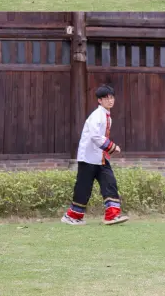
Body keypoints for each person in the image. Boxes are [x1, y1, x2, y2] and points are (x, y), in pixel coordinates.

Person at [61, 84, 129, 226]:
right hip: (88, 157)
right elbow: (95, 136)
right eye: (106, 98)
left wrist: (107, 149)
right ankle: (71, 216)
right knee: (84, 187)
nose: (110, 100)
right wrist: (112, 146)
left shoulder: (107, 116)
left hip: (101, 157)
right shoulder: (97, 116)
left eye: (112, 97)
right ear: (99, 100)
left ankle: (112, 216)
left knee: (110, 182)